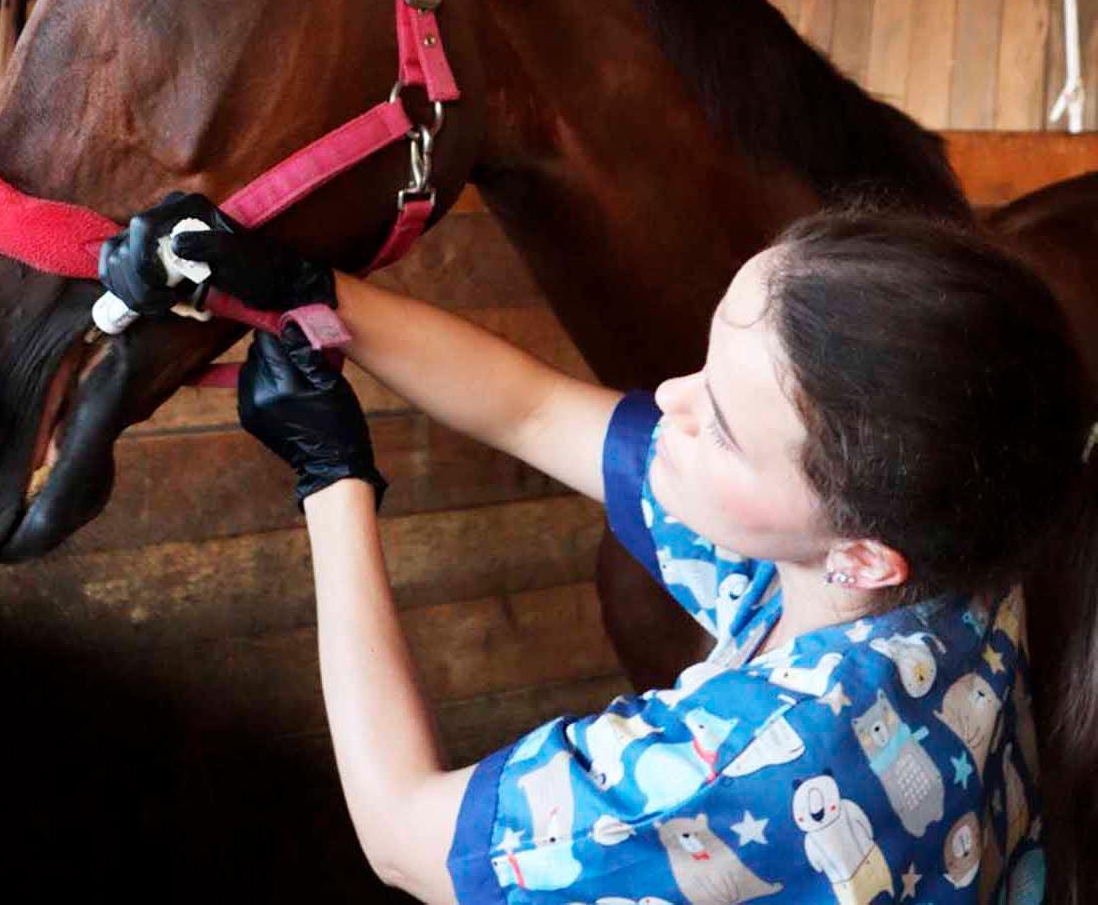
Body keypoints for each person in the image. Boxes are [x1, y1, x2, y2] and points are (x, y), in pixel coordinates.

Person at [100, 197, 1098, 904]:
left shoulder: (745, 767)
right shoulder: (953, 559)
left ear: (862, 552)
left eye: (726, 425)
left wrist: (331, 481)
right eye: (708, 365)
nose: (670, 399)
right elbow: (537, 410)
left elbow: (406, 836)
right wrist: (304, 291)